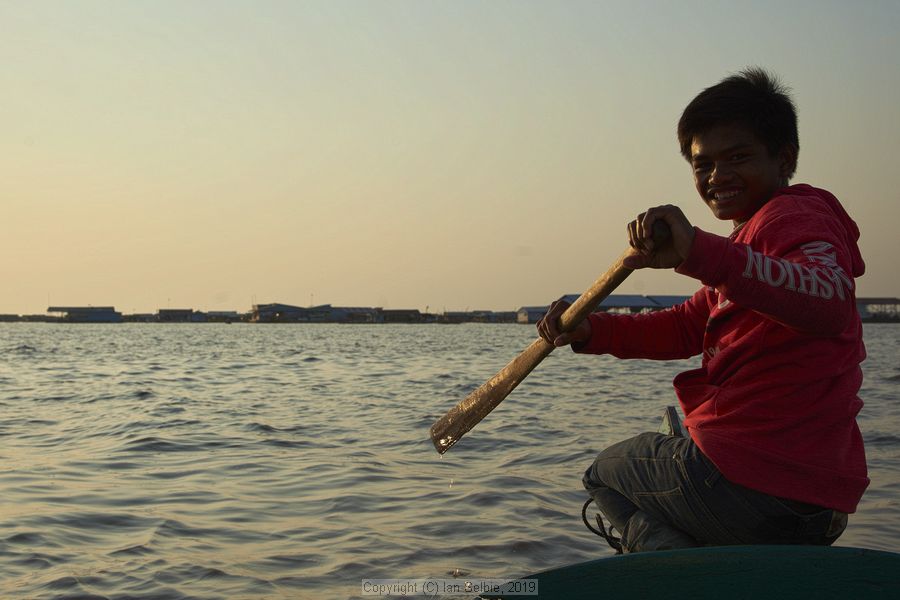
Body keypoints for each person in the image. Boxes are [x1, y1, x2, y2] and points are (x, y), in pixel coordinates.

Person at [537, 67, 868, 553]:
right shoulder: (746, 244)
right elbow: (688, 327)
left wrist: (700, 253)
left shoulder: (794, 216)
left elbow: (828, 301)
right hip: (814, 508)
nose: (717, 177)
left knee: (603, 475)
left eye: (738, 157)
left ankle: (670, 565)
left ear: (785, 158)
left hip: (749, 485)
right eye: (702, 165)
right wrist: (591, 330)